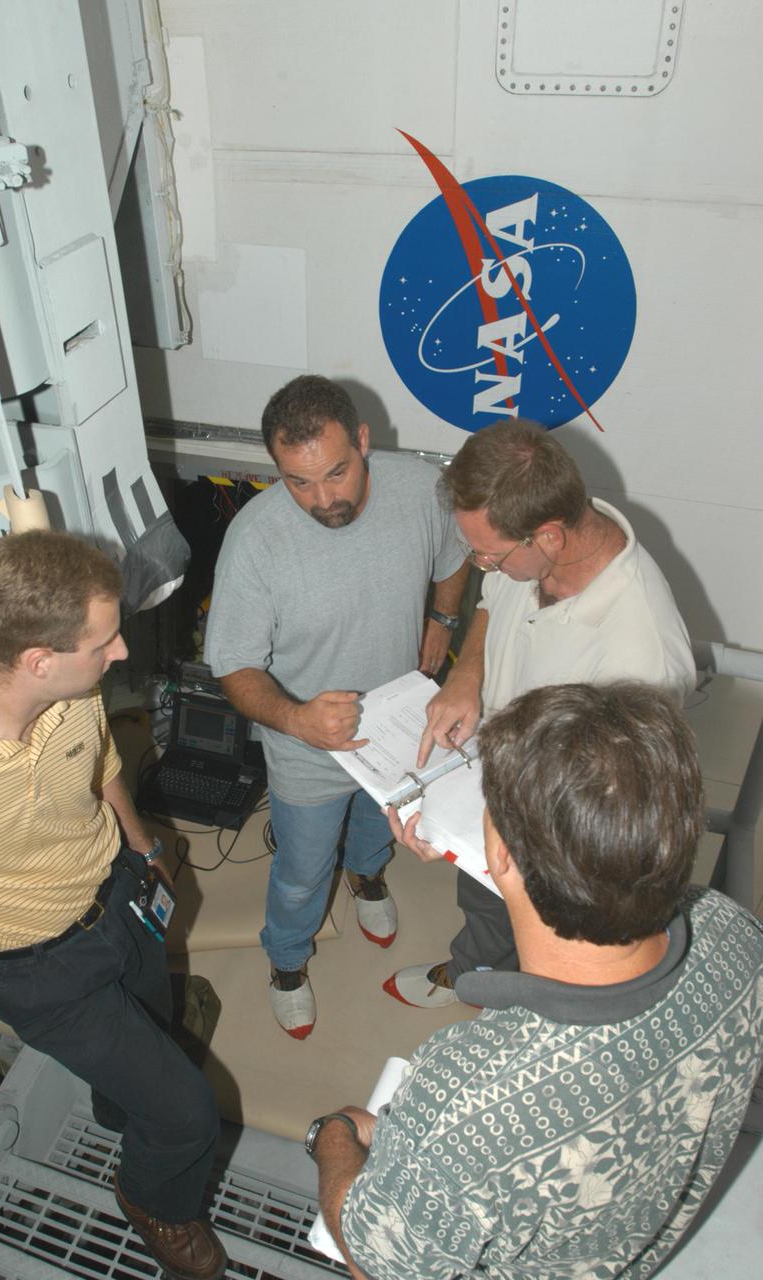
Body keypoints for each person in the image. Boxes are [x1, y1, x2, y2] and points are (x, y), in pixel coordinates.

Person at [310, 681, 763, 1280]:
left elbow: (373, 1260)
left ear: (499, 852)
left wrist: (333, 1135)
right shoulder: (737, 937)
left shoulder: (461, 1104)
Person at [0, 531, 226, 1280]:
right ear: (36, 659)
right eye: (104, 639)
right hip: (37, 972)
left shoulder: (73, 692)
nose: (121, 653)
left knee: (154, 1032)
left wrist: (143, 844)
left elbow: (103, 763)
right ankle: (154, 1204)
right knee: (188, 1114)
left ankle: (122, 1111)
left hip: (118, 899)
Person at [385, 419, 696, 1008]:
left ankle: (489, 995)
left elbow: (600, 831)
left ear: (547, 536)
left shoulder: (642, 656)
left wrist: (471, 843)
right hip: (493, 782)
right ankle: (473, 963)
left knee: (515, 935)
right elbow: (492, 603)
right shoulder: (548, 538)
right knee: (480, 909)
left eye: (486, 554)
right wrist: (468, 673)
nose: (478, 565)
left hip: (549, 840)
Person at [204, 375, 468, 1038]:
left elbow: (458, 552)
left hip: (398, 722)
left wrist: (442, 617)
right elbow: (232, 665)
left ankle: (368, 877)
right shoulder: (255, 541)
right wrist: (296, 719)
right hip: (307, 748)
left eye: (337, 473)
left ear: (362, 442)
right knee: (299, 874)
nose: (322, 499)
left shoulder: (420, 489)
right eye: (297, 481)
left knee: (380, 826)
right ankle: (287, 963)